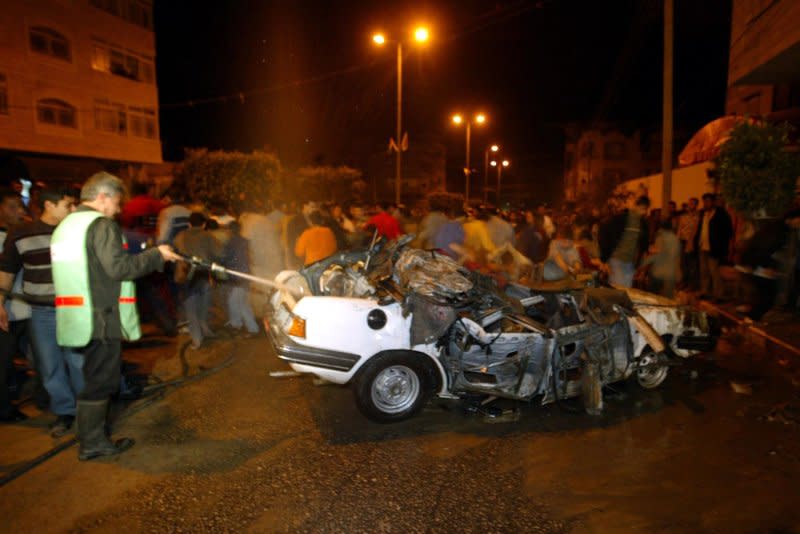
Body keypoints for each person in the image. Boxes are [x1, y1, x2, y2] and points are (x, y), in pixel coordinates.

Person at [50, 172, 180, 460]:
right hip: (100, 317)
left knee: (92, 378)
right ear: (103, 197)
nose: (119, 210)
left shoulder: (67, 225)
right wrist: (157, 255)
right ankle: (93, 443)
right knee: (102, 382)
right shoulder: (100, 225)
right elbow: (119, 269)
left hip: (76, 315)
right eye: (117, 203)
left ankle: (86, 436)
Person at [0, 188, 80, 437]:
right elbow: (7, 271)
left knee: (78, 361)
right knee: (49, 364)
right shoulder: (21, 234)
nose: (73, 210)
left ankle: (88, 411)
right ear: (49, 205)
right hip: (41, 312)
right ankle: (65, 411)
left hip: (74, 307)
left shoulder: (74, 232)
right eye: (68, 205)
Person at [738, 209, 800, 322]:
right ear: (791, 218)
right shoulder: (779, 230)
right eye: (798, 220)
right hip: (759, 265)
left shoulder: (779, 227)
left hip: (756, 264)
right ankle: (751, 318)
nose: (799, 223)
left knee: (764, 295)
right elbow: (765, 248)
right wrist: (766, 267)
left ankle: (750, 315)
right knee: (767, 296)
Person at [0, 188, 29, 423]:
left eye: (21, 206)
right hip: (5, 311)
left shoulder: (21, 235)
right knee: (3, 362)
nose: (20, 211)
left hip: (25, 309)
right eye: (12, 207)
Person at [174, 212, 221, 350]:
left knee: (191, 310)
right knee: (204, 306)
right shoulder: (208, 236)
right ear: (204, 224)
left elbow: (175, 249)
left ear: (189, 224)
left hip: (187, 276)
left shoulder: (180, 236)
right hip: (204, 276)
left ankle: (197, 340)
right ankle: (206, 329)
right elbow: (218, 253)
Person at [600, 196, 650, 287]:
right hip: (616, 260)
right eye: (642, 209)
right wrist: (604, 259)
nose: (644, 212)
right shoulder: (621, 218)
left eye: (646, 209)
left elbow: (644, 244)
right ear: (635, 206)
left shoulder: (643, 224)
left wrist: (641, 264)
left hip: (630, 263)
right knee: (618, 291)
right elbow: (604, 231)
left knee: (626, 292)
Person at [221, 221, 259, 337]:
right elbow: (250, 258)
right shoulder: (245, 241)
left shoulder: (230, 243)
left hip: (237, 277)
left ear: (230, 230)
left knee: (235, 302)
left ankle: (237, 325)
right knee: (242, 303)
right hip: (245, 275)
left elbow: (226, 259)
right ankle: (250, 328)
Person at [697, 193, 733, 302]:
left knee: (715, 272)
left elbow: (728, 232)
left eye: (708, 201)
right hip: (702, 246)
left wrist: (723, 247)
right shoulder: (703, 214)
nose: (705, 203)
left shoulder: (722, 214)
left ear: (713, 202)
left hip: (714, 248)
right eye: (704, 201)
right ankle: (705, 292)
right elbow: (700, 229)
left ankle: (719, 295)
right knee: (704, 271)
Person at [640, 219, 682, 298]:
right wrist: (678, 274)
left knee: (652, 297)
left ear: (662, 228)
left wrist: (642, 265)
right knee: (666, 300)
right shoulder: (676, 240)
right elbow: (677, 258)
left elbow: (656, 255)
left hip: (658, 273)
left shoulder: (661, 238)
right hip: (670, 275)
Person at [676, 197, 700, 289]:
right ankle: (684, 282)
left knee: (691, 264)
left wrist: (690, 243)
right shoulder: (683, 216)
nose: (690, 205)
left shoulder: (697, 217)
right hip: (682, 241)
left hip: (690, 241)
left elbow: (695, 230)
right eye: (689, 203)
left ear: (696, 205)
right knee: (683, 263)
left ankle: (691, 284)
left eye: (692, 204)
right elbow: (679, 229)